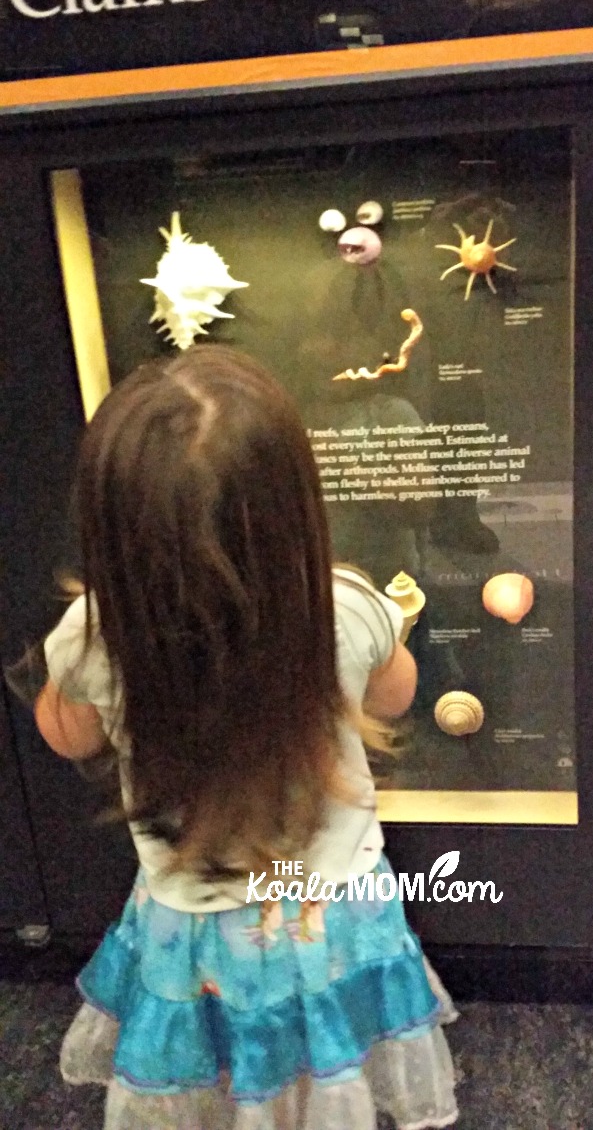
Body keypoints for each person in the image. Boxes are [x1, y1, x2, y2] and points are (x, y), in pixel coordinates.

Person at [34, 345, 459, 1130]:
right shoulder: (348, 604)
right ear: (293, 499)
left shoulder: (94, 632)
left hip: (189, 913)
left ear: (107, 520)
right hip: (334, 902)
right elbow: (397, 693)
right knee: (330, 1046)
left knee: (213, 1053)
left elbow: (66, 735)